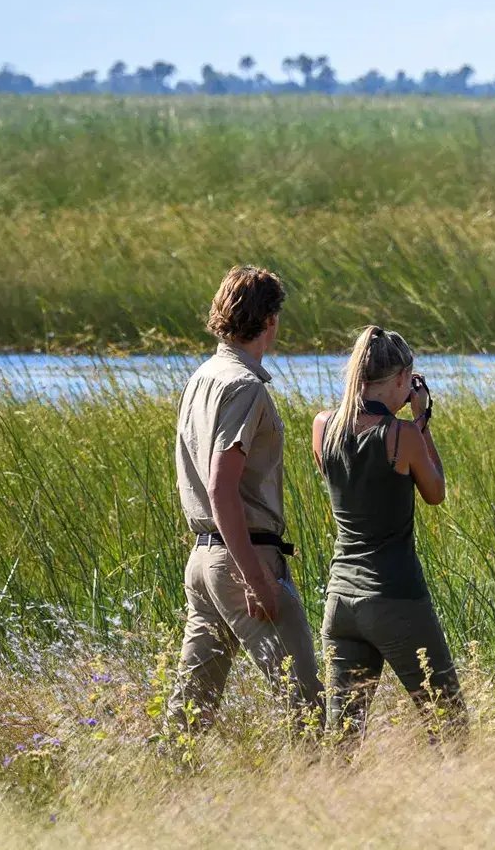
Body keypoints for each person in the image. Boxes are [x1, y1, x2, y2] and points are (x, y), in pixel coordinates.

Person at [167, 265, 322, 731]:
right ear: (270, 320)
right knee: (308, 707)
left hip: (204, 559)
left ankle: (161, 787)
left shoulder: (203, 376)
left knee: (189, 715)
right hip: (242, 559)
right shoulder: (245, 387)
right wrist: (257, 579)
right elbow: (220, 486)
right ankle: (327, 794)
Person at [310, 325, 463, 737]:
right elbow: (435, 492)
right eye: (409, 380)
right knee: (451, 726)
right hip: (394, 596)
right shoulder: (401, 435)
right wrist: (421, 417)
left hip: (341, 600)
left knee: (342, 739)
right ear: (399, 379)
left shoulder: (323, 427)